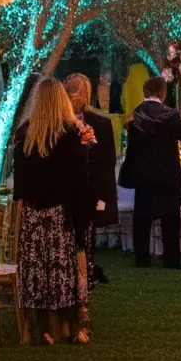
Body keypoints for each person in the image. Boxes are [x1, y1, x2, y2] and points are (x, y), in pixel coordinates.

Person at [14, 77, 94, 345]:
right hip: (61, 213)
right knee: (60, 270)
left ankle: (38, 327)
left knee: (36, 268)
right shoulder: (70, 134)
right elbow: (79, 179)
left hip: (33, 213)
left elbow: (20, 180)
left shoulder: (25, 133)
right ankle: (62, 326)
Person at [121, 75, 181, 268]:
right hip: (168, 175)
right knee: (170, 219)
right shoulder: (170, 115)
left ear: (145, 92)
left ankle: (142, 259)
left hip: (143, 174)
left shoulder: (136, 115)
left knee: (142, 219)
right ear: (163, 93)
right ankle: (171, 260)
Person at [64, 72, 118, 299]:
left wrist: (103, 194)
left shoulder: (101, 123)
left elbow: (108, 160)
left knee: (88, 233)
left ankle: (87, 271)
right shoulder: (59, 122)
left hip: (90, 187)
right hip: (66, 187)